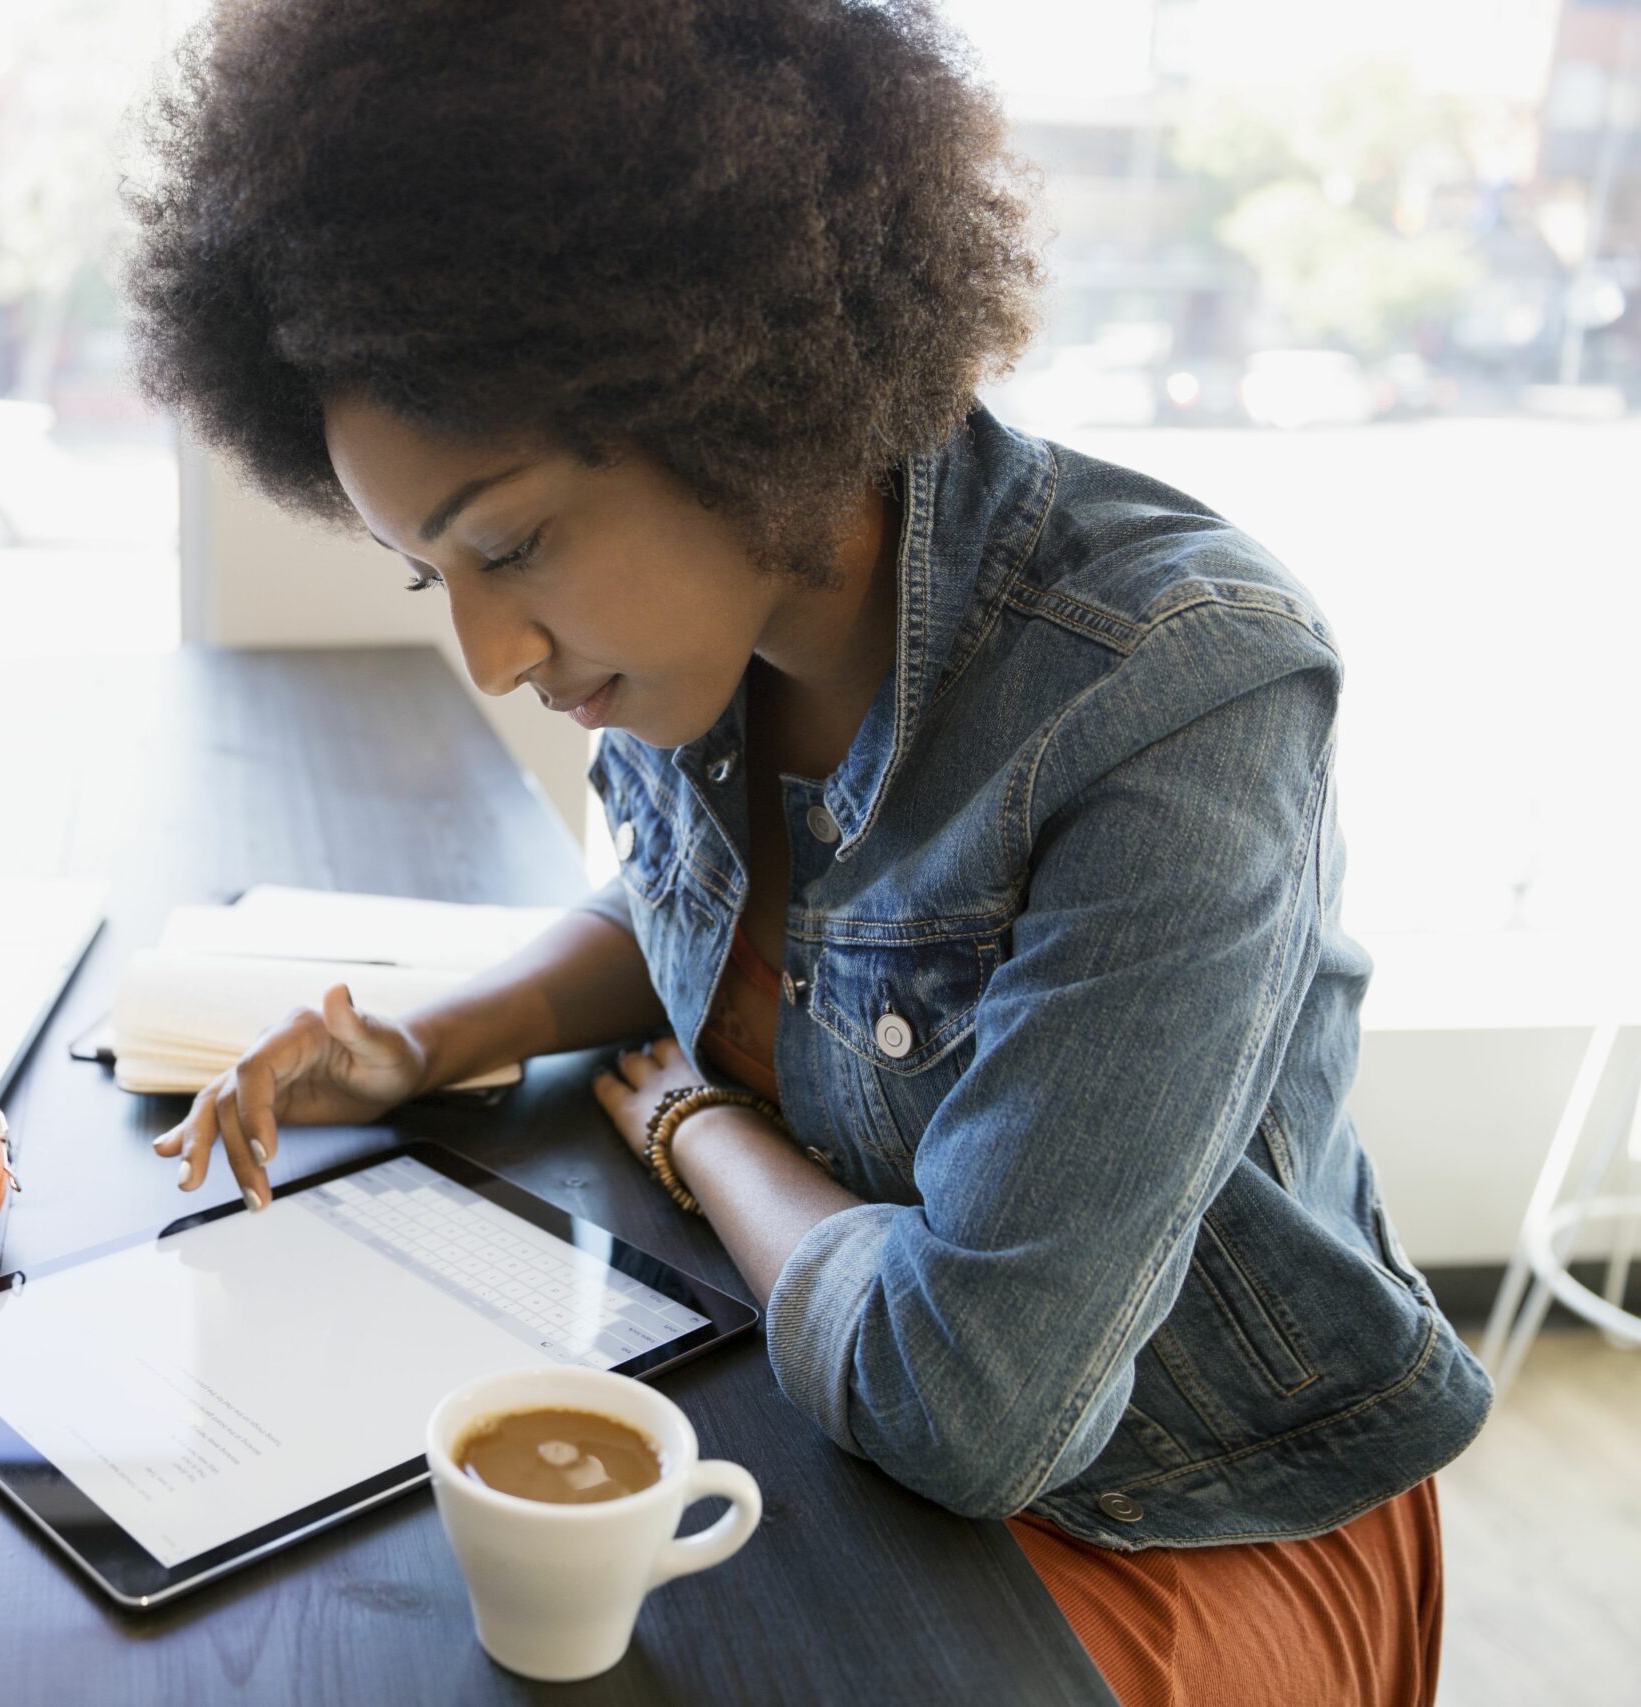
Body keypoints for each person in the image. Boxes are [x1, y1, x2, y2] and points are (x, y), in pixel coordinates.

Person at [122, 4, 1490, 1701]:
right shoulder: (721, 635)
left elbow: (968, 1404)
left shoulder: (1174, 693)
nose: (489, 655)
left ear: (730, 377)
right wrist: (427, 1041)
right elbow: (711, 906)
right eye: (435, 575)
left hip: (1173, 1503)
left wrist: (698, 1133)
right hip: (835, 1398)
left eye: (519, 545)